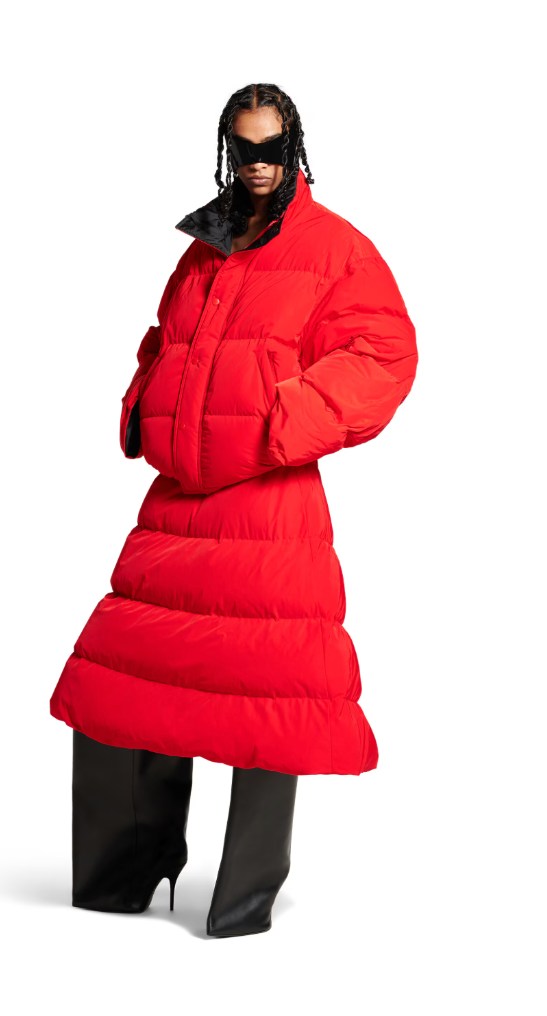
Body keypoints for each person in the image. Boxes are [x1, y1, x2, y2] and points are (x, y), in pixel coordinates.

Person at [50, 82, 418, 937]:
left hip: (268, 507)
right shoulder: (207, 245)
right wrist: (146, 406)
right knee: (120, 685)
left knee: (266, 697)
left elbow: (386, 353)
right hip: (178, 505)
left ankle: (241, 901)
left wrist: (279, 422)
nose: (258, 165)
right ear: (227, 148)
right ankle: (119, 880)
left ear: (297, 148)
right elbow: (166, 338)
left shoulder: (336, 249)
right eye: (244, 149)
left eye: (273, 149)